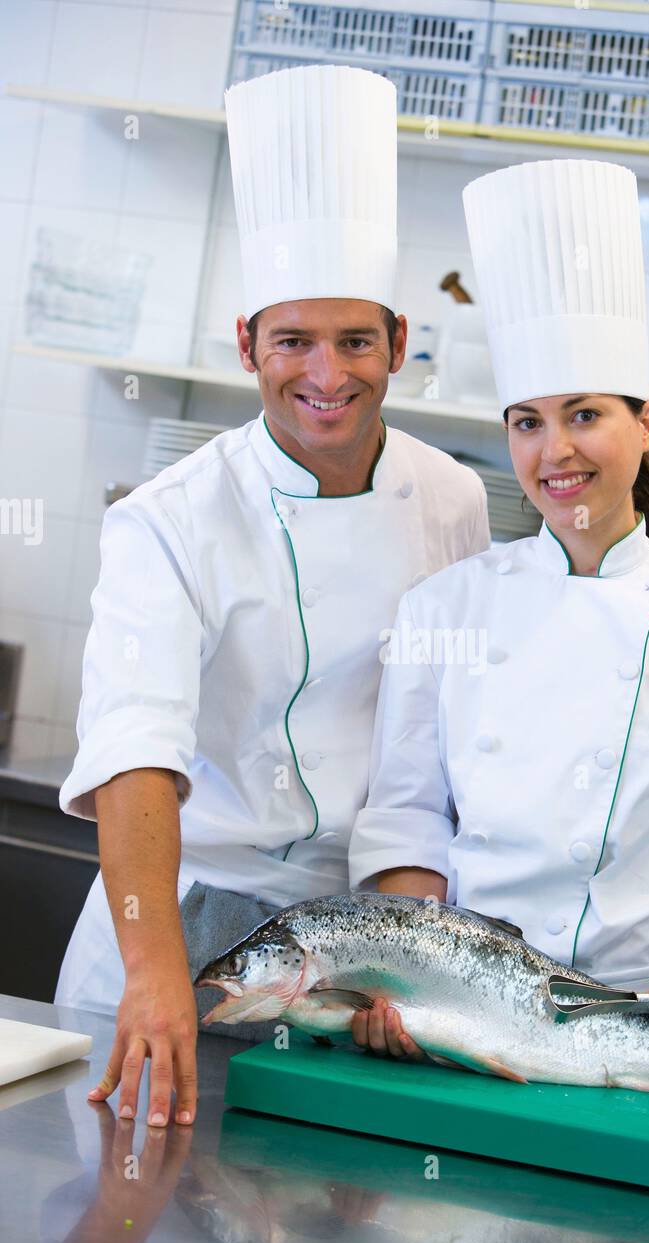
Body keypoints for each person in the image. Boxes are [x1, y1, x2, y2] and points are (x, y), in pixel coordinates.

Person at [55, 65, 490, 1126]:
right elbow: (134, 748)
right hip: (178, 914)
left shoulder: (451, 497)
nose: (325, 374)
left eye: (354, 340)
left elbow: (445, 739)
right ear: (248, 343)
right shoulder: (171, 515)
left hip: (363, 942)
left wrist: (412, 944)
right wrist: (157, 963)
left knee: (322, 1232)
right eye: (292, 340)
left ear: (396, 341)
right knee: (127, 1216)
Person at [348, 158, 649, 1062]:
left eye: (585, 414)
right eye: (527, 422)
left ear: (645, 423)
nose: (555, 451)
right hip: (453, 1019)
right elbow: (409, 816)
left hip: (632, 1027)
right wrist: (400, 977)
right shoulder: (445, 606)